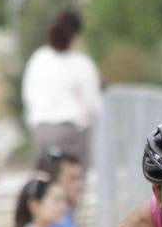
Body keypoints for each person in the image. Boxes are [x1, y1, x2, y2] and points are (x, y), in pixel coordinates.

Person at [21, 9, 102, 170]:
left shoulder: (38, 58)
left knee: (44, 180)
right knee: (72, 180)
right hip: (72, 132)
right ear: (75, 36)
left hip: (42, 130)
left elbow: (28, 94)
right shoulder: (82, 63)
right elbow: (92, 104)